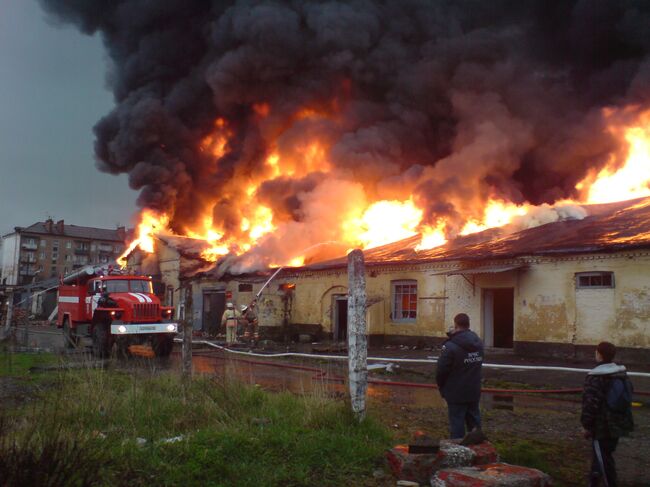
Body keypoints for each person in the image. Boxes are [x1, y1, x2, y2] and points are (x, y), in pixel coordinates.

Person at [581, 341, 634, 487]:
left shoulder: (596, 376)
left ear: (599, 354)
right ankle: (594, 482)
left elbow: (590, 404)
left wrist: (586, 426)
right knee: (603, 457)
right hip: (618, 423)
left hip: (603, 427)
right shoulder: (621, 374)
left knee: (604, 461)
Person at [435, 313, 484, 439]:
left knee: (457, 425)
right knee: (475, 424)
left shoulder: (450, 346)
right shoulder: (478, 343)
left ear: (456, 325)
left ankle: (459, 452)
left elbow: (441, 371)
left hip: (456, 392)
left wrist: (442, 388)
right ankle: (480, 451)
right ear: (468, 324)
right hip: (474, 390)